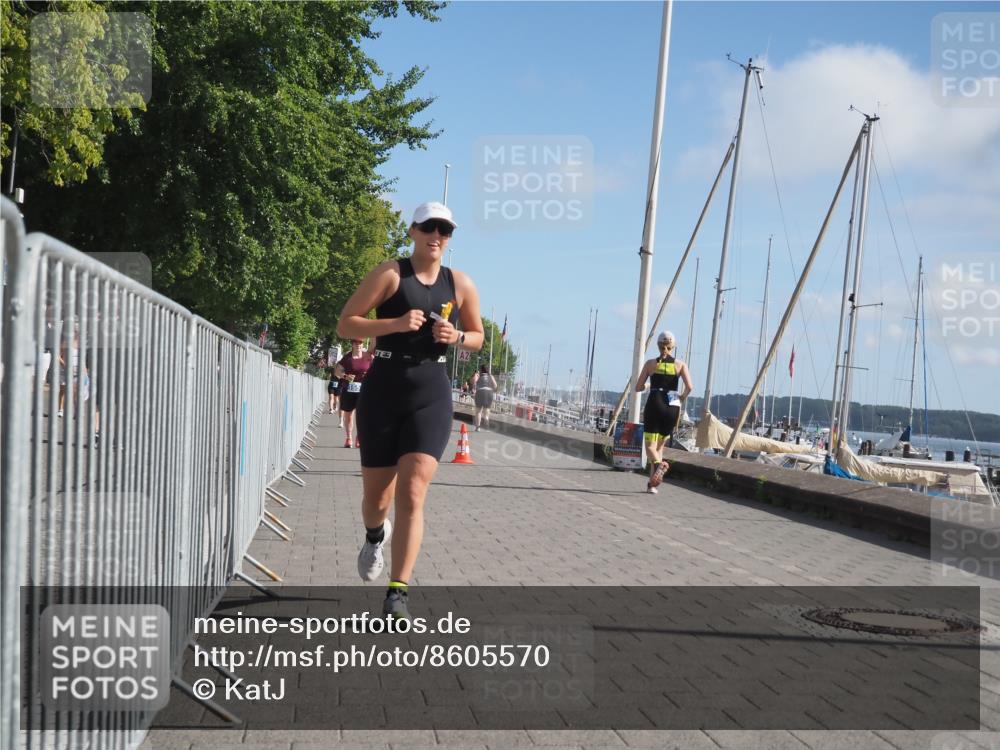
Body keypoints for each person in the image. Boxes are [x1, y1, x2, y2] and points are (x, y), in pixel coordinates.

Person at [337, 201, 483, 619]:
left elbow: (477, 337)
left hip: (431, 391)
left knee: (414, 491)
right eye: (429, 227)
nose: (437, 235)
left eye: (445, 230)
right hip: (383, 389)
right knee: (376, 498)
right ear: (413, 231)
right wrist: (394, 325)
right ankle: (373, 535)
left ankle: (397, 591)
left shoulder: (461, 284)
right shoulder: (390, 274)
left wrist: (456, 337)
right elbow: (346, 324)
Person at [635, 331, 694, 494]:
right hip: (672, 407)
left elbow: (637, 387)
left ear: (658, 345)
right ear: (673, 347)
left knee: (650, 448)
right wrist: (681, 397)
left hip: (655, 403)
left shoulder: (650, 364)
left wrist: (648, 386)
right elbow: (690, 387)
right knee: (660, 446)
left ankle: (660, 465)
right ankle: (652, 485)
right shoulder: (680, 365)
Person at [335, 339, 372, 448]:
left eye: (360, 343)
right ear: (352, 344)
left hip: (364, 391)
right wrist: (345, 376)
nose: (358, 345)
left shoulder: (368, 357)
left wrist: (369, 375)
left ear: (363, 344)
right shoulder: (347, 358)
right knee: (349, 416)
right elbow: (337, 371)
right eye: (356, 343)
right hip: (348, 390)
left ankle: (359, 437)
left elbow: (376, 370)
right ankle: (349, 438)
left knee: (362, 416)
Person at [472, 363, 497, 431]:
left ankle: (478, 427)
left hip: (480, 392)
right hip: (489, 393)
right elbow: (495, 386)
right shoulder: (491, 376)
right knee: (486, 411)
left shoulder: (478, 375)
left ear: (481, 370)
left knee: (478, 411)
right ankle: (486, 419)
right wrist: (491, 389)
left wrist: (475, 375)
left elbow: (474, 384)